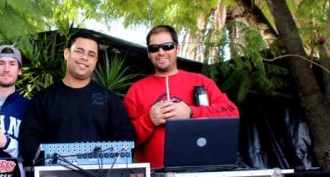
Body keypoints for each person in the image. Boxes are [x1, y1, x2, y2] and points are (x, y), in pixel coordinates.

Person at [123, 24, 239, 168]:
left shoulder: (201, 81)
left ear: (177, 49)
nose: (161, 52)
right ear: (148, 53)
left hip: (199, 172)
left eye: (167, 46)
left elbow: (231, 113)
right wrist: (149, 120)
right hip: (152, 175)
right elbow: (124, 142)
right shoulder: (136, 90)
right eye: (154, 48)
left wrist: (191, 112)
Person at [19, 29, 136, 166]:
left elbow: (127, 141)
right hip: (55, 176)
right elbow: (28, 141)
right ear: (66, 53)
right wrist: (50, 164)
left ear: (95, 61)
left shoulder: (110, 100)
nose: (84, 57)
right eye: (79, 51)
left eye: (91, 54)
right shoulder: (43, 99)